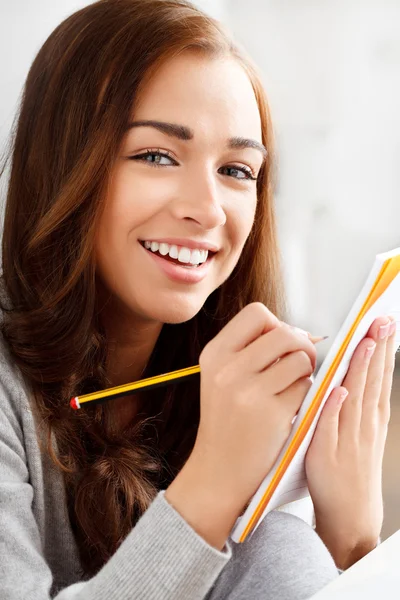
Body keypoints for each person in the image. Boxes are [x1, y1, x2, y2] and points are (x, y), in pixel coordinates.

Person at [0, 0, 396, 598]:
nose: (208, 209)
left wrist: (352, 538)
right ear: (63, 166)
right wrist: (213, 482)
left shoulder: (245, 386)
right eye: (157, 156)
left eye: (237, 170)